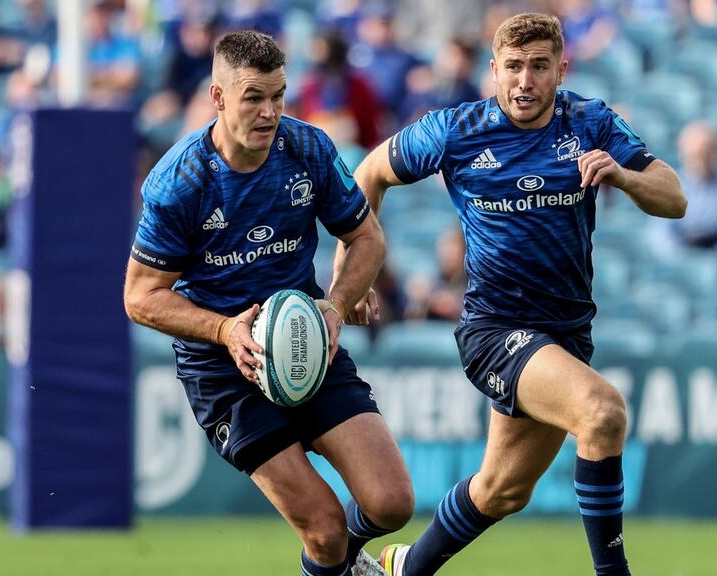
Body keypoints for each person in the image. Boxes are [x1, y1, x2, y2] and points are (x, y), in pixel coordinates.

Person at [340, 13, 685, 576]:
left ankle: (403, 567)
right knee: (601, 414)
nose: (525, 80)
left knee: (501, 490)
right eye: (514, 67)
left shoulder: (590, 122)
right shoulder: (455, 130)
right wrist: (352, 277)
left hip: (566, 333)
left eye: (539, 67)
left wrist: (624, 175)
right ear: (493, 71)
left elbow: (674, 198)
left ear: (561, 70)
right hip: (495, 329)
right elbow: (369, 172)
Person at [122, 31, 413, 576]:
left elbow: (367, 238)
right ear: (218, 98)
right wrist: (227, 330)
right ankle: (345, 564)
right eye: (254, 96)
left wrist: (335, 304)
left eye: (278, 95)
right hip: (223, 367)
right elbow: (140, 297)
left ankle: (352, 563)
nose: (270, 111)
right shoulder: (180, 182)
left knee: (391, 502)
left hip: (304, 336)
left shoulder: (308, 149)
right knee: (324, 531)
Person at [646, 121, 717, 278]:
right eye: (696, 154)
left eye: (708, 152)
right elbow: (661, 235)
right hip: (680, 267)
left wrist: (716, 262)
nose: (702, 159)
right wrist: (684, 262)